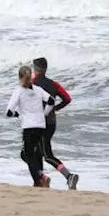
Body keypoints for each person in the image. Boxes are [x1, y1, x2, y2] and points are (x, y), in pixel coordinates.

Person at [31, 57, 79, 190]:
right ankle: (40, 180)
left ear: (35, 70)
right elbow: (67, 99)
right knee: (37, 152)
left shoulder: (32, 83)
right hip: (52, 123)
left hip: (39, 123)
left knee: (46, 155)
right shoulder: (54, 84)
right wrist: (55, 109)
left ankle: (69, 176)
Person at [6, 65, 52, 187]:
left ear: (19, 77)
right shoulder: (38, 89)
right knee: (37, 153)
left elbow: (9, 111)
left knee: (26, 154)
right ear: (30, 76)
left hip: (28, 126)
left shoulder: (19, 91)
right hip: (41, 126)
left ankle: (40, 179)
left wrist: (18, 115)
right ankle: (40, 177)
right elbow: (51, 101)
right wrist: (44, 114)